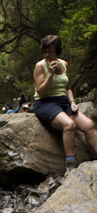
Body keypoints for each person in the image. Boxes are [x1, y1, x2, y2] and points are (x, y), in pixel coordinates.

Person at [33, 34, 97, 173]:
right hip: (45, 103)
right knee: (69, 125)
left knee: (89, 125)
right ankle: (70, 165)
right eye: (44, 50)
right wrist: (51, 74)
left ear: (57, 50)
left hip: (63, 102)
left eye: (49, 51)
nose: (46, 54)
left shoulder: (64, 64)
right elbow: (41, 92)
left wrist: (72, 102)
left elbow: (67, 87)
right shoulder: (40, 66)